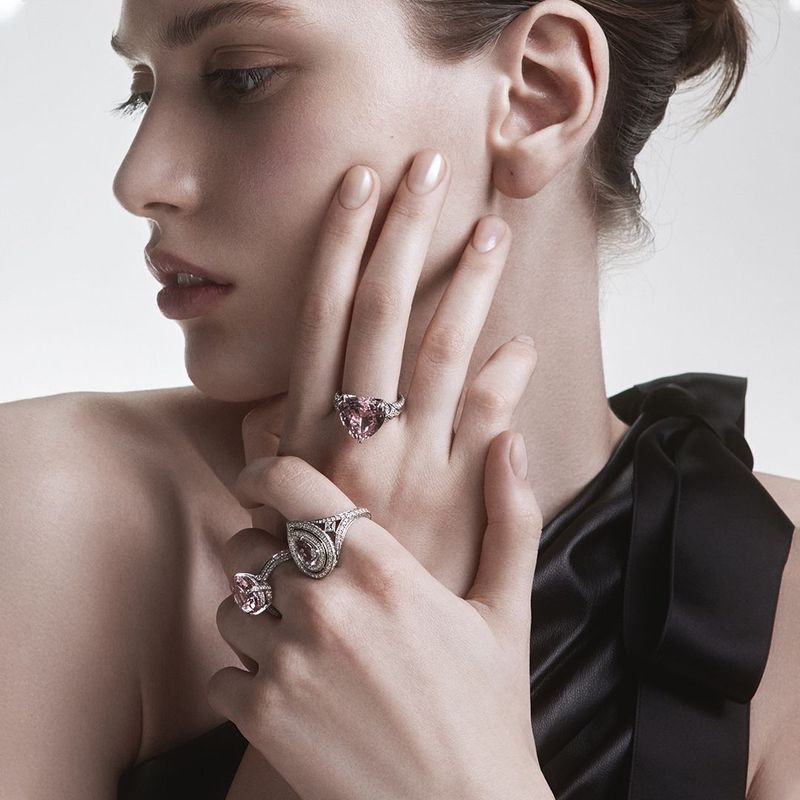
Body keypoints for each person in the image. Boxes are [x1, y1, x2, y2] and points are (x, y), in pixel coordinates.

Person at [1, 0, 797, 798]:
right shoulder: (56, 513)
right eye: (141, 92)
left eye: (241, 77)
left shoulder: (773, 597)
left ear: (539, 94)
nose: (138, 180)